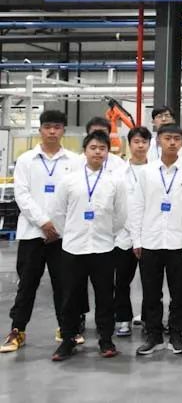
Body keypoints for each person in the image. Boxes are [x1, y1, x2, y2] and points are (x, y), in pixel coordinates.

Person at [1, 110, 83, 354]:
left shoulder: (74, 161)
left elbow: (76, 196)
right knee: (26, 285)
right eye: (48, 127)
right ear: (40, 130)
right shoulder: (26, 160)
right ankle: (17, 330)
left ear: (63, 131)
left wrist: (57, 226)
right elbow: (22, 195)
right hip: (32, 234)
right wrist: (44, 223)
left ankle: (66, 330)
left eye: (57, 127)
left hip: (62, 237)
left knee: (64, 285)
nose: (52, 131)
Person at [50, 130, 129, 361]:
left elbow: (121, 215)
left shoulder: (115, 181)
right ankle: (68, 339)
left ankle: (106, 340)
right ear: (84, 151)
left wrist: (107, 234)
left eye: (102, 148)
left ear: (108, 153)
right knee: (70, 297)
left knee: (105, 297)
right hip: (73, 248)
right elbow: (57, 213)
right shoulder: (69, 181)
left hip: (103, 248)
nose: (98, 152)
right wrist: (69, 233)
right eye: (93, 148)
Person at [131, 125, 182, 356]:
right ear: (158, 141)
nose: (172, 142)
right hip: (150, 240)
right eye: (167, 138)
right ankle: (154, 336)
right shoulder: (147, 172)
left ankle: (176, 335)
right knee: (151, 293)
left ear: (181, 142)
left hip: (178, 241)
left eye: (176, 139)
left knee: (178, 293)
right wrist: (136, 239)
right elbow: (137, 206)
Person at [113, 127, 149, 338]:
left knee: (150, 282)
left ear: (149, 145)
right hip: (124, 236)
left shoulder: (155, 172)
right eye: (136, 141)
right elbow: (115, 205)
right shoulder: (118, 173)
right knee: (122, 281)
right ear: (129, 144)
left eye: (144, 142)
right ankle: (123, 319)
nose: (140, 145)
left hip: (148, 235)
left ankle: (147, 318)